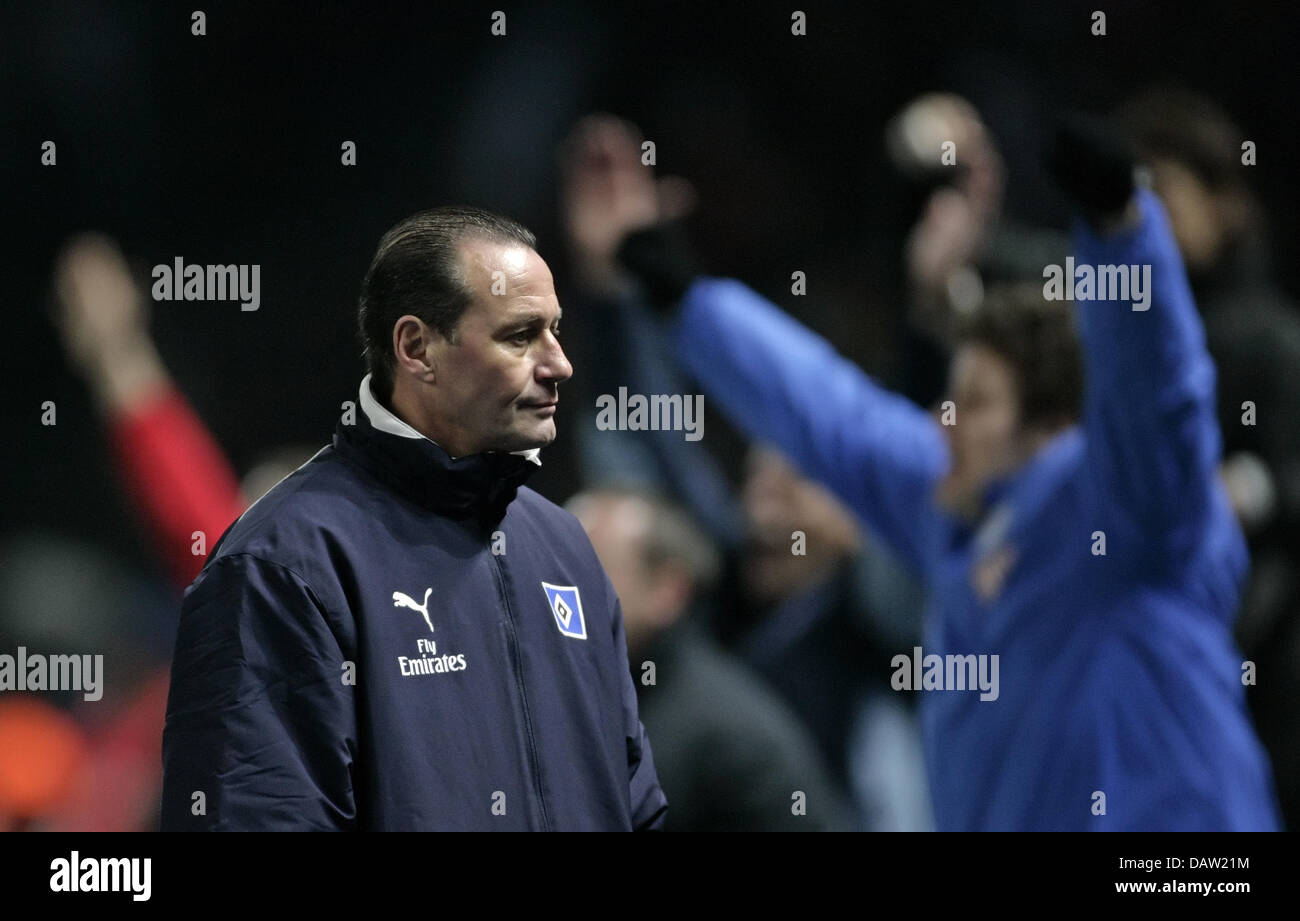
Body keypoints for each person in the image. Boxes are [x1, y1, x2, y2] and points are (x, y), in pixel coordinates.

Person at [610, 120, 1281, 831]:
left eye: (978, 403)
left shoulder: (1133, 507)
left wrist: (1124, 232)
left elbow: (1158, 393)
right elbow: (832, 415)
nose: (944, 422)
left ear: (1054, 425)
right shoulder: (955, 508)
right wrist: (686, 301)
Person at [161, 206, 667, 831]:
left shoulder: (562, 544)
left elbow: (634, 803)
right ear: (416, 347)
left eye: (556, 331)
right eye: (520, 335)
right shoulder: (283, 562)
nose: (558, 362)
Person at [568, 486, 853, 830]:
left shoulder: (726, 732)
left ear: (667, 589)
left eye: (592, 568)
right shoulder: (596, 695)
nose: (564, 590)